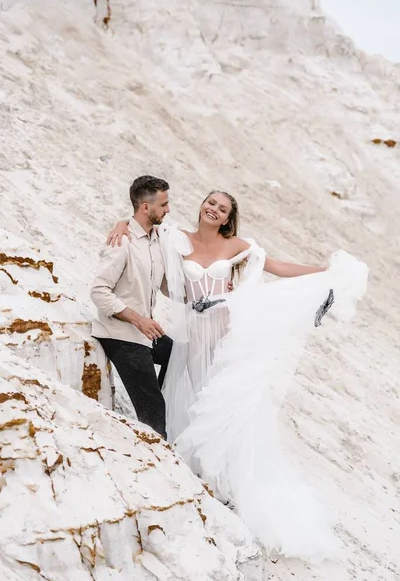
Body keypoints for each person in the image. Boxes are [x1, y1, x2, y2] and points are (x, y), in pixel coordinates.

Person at [108, 190, 368, 562]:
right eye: (210, 203)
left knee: (222, 401)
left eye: (222, 208)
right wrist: (121, 223)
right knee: (192, 396)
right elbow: (145, 230)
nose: (213, 209)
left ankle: (224, 480)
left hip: (225, 335)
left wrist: (324, 272)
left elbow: (276, 267)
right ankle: (194, 472)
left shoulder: (237, 245)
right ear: (201, 207)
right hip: (191, 338)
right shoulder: (177, 238)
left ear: (228, 218)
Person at [90, 175, 173, 439]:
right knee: (153, 409)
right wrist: (138, 320)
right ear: (146, 207)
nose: (168, 210)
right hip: (121, 335)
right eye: (164, 204)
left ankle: (158, 401)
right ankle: (155, 444)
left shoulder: (157, 239)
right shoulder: (121, 242)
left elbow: (163, 285)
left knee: (179, 354)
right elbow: (99, 292)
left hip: (143, 333)